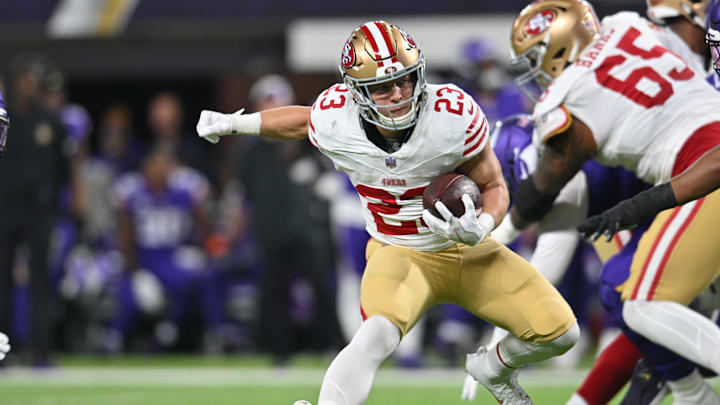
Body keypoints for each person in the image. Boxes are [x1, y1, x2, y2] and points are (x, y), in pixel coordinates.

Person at [198, 20, 579, 405]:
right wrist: (234, 123)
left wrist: (481, 225)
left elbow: (495, 186)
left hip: (467, 249)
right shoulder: (337, 119)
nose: (398, 94)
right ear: (356, 92)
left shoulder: (452, 114)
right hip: (399, 251)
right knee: (375, 335)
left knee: (560, 333)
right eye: (382, 86)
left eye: (405, 80)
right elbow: (300, 121)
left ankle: (494, 368)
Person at [509, 0, 720, 402]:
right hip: (688, 165)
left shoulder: (570, 99)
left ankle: (692, 392)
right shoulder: (627, 29)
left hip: (699, 171)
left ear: (557, 50)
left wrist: (507, 223)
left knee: (638, 298)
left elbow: (545, 199)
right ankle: (687, 390)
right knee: (633, 294)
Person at [0, 54, 72, 366]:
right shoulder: (4, 118)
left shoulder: (51, 121)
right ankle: (4, 351)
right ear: (14, 84)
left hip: (39, 210)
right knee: (1, 279)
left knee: (41, 279)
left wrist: (56, 203)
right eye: (24, 80)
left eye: (34, 80)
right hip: (4, 207)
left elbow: (63, 168)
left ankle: (40, 350)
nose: (29, 86)